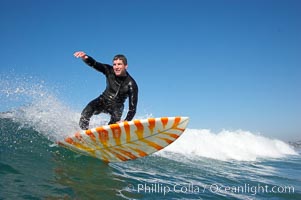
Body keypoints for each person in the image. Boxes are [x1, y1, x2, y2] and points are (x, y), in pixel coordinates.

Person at [74, 51, 138, 130]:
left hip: (117, 106)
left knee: (113, 124)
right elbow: (95, 64)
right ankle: (85, 133)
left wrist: (126, 121)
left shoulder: (131, 84)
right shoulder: (109, 70)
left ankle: (109, 136)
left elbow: (132, 109)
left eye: (119, 64)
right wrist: (85, 57)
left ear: (125, 66)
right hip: (103, 100)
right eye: (114, 64)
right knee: (85, 113)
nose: (116, 67)